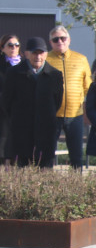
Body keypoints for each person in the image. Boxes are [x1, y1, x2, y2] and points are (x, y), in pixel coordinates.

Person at [2, 37, 63, 167]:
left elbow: (57, 102)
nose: (38, 56)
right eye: (34, 53)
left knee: (45, 171)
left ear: (46, 54)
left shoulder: (54, 75)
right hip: (21, 131)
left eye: (41, 53)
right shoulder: (14, 73)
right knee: (22, 171)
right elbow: (7, 102)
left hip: (45, 131)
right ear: (26, 53)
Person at [46, 25, 91, 169]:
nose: (60, 41)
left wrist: (86, 108)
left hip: (75, 114)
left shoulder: (81, 59)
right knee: (48, 155)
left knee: (76, 155)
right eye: (55, 39)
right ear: (51, 42)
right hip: (52, 114)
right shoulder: (46, 58)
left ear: (69, 40)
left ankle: (76, 186)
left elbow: (88, 86)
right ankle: (45, 186)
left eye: (63, 38)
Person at [0, 34, 20, 163]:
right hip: (2, 110)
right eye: (10, 45)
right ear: (2, 48)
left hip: (20, 109)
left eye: (16, 45)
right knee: (4, 139)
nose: (13, 48)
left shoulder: (25, 64)